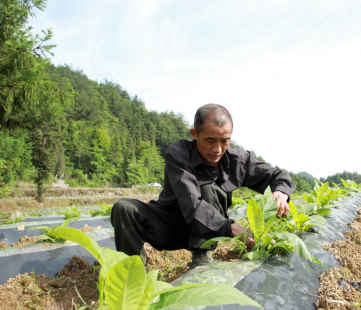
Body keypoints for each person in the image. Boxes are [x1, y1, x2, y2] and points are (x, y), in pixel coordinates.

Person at [110, 103, 296, 267]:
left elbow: (278, 175)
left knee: (210, 189)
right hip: (170, 225)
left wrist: (281, 193)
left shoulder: (237, 159)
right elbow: (192, 204)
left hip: (204, 233)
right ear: (195, 134)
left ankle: (201, 253)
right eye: (210, 140)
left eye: (225, 141)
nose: (217, 149)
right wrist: (233, 229)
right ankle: (132, 274)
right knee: (123, 208)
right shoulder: (178, 154)